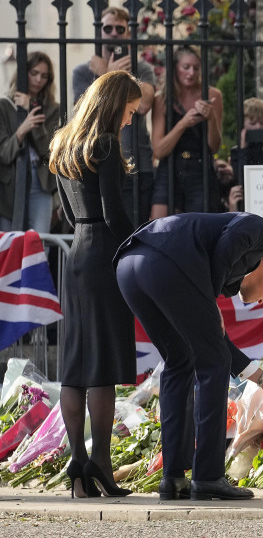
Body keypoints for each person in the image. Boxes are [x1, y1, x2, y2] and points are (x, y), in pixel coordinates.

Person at [114, 211, 263, 500]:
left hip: (129, 264)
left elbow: (215, 340)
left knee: (180, 359)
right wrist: (209, 301)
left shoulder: (218, 271)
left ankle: (173, 477)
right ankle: (209, 476)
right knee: (213, 364)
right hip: (166, 261)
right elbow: (234, 237)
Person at [48, 70, 142, 498]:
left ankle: (76, 462)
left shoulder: (63, 142)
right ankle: (100, 461)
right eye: (129, 110)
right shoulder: (105, 145)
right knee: (102, 363)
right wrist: (142, 242)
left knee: (75, 366)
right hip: (105, 253)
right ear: (113, 103)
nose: (129, 119)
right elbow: (114, 214)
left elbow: (70, 214)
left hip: (76, 254)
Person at [72, 6, 158, 226]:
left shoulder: (143, 68)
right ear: (99, 31)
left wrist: (108, 76)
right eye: (107, 28)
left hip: (138, 163)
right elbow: (83, 114)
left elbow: (144, 105)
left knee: (134, 231)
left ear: (128, 33)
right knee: (103, 229)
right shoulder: (83, 71)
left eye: (119, 29)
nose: (113, 33)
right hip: (96, 161)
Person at [151, 46, 224, 218]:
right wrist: (183, 124)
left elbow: (213, 148)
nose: (191, 73)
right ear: (175, 67)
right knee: (159, 225)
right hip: (169, 167)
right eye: (186, 67)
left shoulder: (213, 95)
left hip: (200, 168)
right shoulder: (162, 98)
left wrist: (211, 118)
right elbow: (159, 150)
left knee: (199, 226)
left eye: (196, 68)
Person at [0, 51, 59, 233]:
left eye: (44, 76)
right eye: (34, 73)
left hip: (40, 180)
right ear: (23, 73)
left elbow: (47, 151)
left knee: (40, 241)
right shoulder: (4, 106)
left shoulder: (52, 109)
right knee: (9, 241)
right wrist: (21, 130)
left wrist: (30, 111)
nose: (38, 80)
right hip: (11, 181)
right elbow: (3, 153)